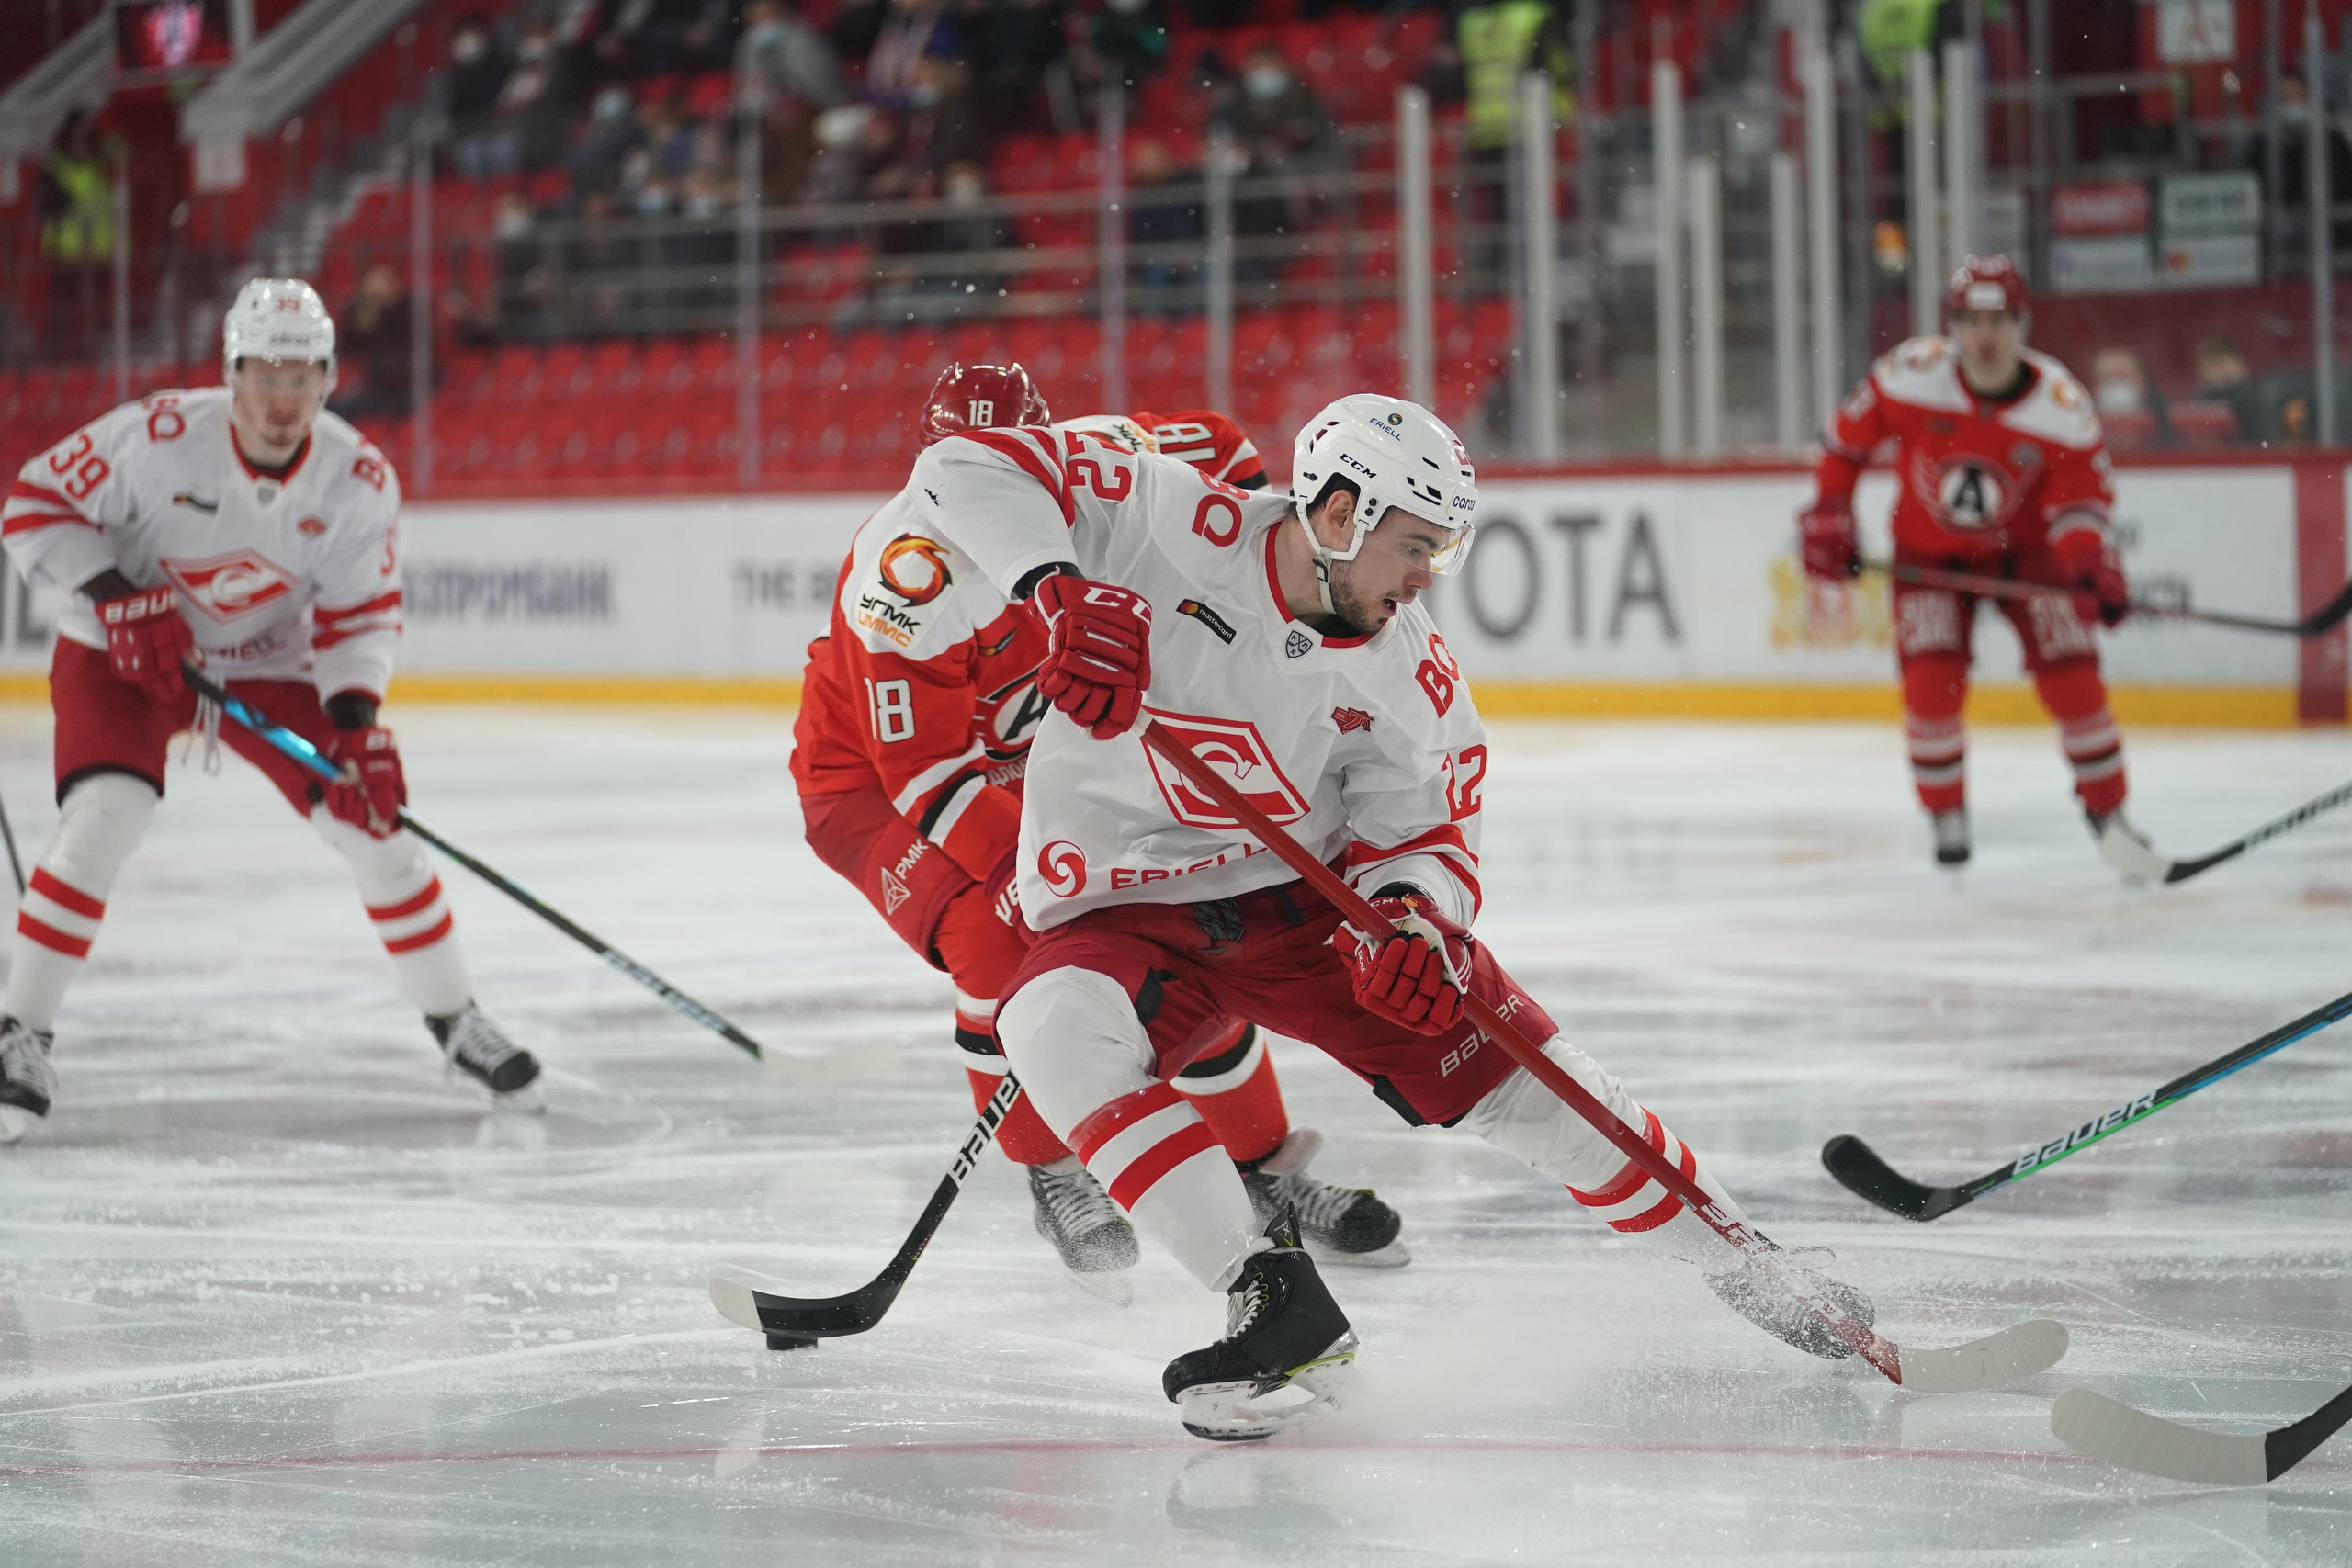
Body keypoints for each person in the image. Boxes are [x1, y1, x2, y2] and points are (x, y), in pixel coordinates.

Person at [898, 392, 1876, 1440]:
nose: (1424, 580)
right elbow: (962, 467)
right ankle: (1274, 1303)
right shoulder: (1164, 522)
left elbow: (1431, 834)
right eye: (1415, 547)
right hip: (1126, 916)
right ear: (1338, 513)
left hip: (1305, 915)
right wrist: (1057, 594)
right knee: (1044, 1022)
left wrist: (1414, 920)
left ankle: (1747, 1264)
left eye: (1441, 554)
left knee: (1527, 1091)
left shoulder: (1411, 673)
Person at [787, 364, 1404, 1299]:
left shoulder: (1107, 460)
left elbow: (1227, 456)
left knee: (1199, 912)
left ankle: (1261, 1171)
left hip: (1038, 762)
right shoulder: (904, 577)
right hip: (873, 783)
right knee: (1005, 944)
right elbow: (926, 771)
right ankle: (1054, 1171)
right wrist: (1027, 880)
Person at [0, 278, 541, 1145]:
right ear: (231, 371)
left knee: (379, 832)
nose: (283, 398)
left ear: (328, 377)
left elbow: (359, 615)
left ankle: (456, 1019)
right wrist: (114, 597)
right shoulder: (157, 436)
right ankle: (19, 1033)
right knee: (104, 816)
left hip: (267, 665)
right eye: (265, 374)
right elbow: (33, 503)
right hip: (120, 654)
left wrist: (358, 730)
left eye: (303, 376)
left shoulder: (357, 477)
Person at [1798, 254, 2146, 874]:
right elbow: (1844, 441)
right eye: (1973, 321)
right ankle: (1946, 813)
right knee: (1931, 687)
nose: (1986, 338)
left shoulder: (2058, 404)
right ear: (1953, 325)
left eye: (2000, 321)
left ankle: (2109, 813)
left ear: (2022, 324)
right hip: (1929, 557)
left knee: (2075, 684)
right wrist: (1830, 511)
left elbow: (2079, 503)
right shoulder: (1911, 375)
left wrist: (2088, 563)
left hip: (2031, 557)